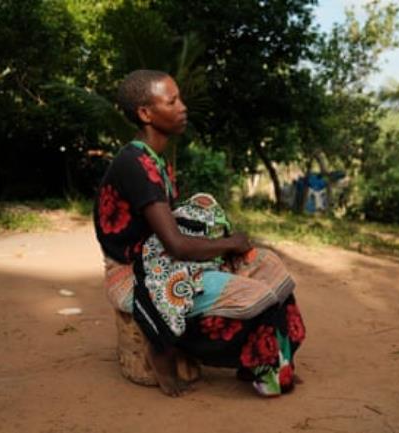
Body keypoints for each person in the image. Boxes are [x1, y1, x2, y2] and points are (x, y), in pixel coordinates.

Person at [94, 69, 305, 397]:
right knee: (257, 297)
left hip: (163, 260)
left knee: (271, 267)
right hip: (135, 275)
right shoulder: (135, 164)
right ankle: (164, 348)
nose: (183, 107)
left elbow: (169, 231)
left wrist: (226, 245)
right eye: (172, 101)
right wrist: (228, 244)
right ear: (145, 113)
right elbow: (177, 245)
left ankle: (273, 361)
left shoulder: (155, 159)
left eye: (180, 99)